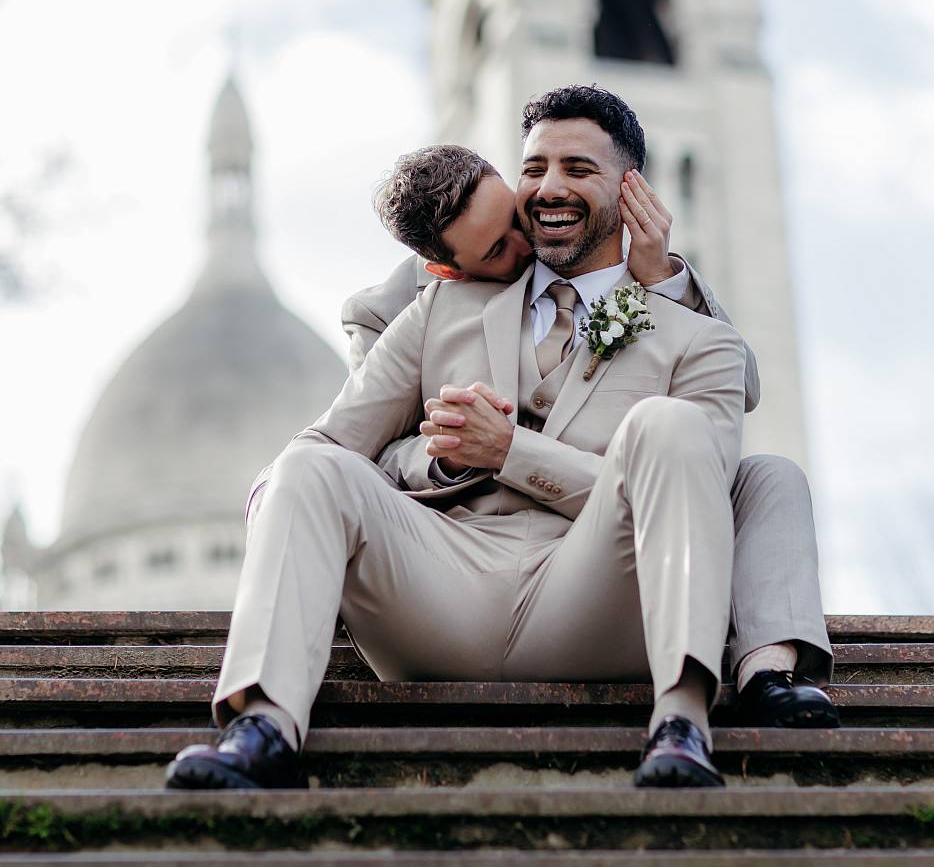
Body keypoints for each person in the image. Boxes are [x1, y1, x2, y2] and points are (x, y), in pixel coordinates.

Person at [166, 86, 835, 795]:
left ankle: (683, 722)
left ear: (632, 189)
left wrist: (509, 450)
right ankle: (263, 728)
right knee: (308, 466)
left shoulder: (697, 335)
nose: (549, 187)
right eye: (534, 167)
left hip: (603, 600)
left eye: (578, 168)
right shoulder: (439, 304)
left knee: (709, 445)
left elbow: (702, 498)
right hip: (438, 588)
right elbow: (330, 443)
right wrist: (387, 475)